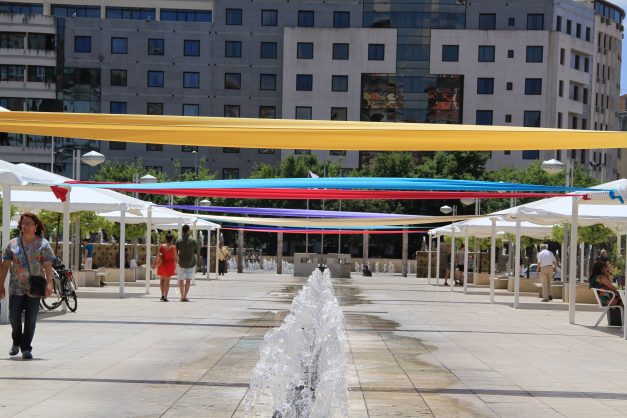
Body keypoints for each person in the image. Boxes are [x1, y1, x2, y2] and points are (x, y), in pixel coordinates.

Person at [0, 213, 54, 360]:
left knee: (30, 319)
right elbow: (5, 265)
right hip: (16, 286)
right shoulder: (13, 243)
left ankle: (26, 348)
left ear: (36, 226)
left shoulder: (43, 244)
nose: (26, 226)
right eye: (23, 223)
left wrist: (49, 283)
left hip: (35, 286)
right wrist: (1, 284)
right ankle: (16, 340)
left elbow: (48, 264)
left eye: (29, 223)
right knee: (14, 317)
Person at [175, 225, 197, 302]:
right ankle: (185, 296)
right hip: (191, 262)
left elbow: (175, 252)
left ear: (182, 230)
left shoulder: (178, 240)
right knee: (188, 280)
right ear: (188, 230)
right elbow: (196, 252)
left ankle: (182, 296)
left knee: (181, 280)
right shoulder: (193, 240)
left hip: (181, 262)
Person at [153, 233, 177, 302]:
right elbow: (175, 258)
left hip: (162, 264)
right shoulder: (173, 247)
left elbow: (158, 255)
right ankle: (166, 297)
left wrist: (155, 264)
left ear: (165, 239)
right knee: (167, 282)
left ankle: (162, 295)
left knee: (162, 280)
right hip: (169, 265)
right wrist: (175, 265)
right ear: (172, 239)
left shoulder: (161, 246)